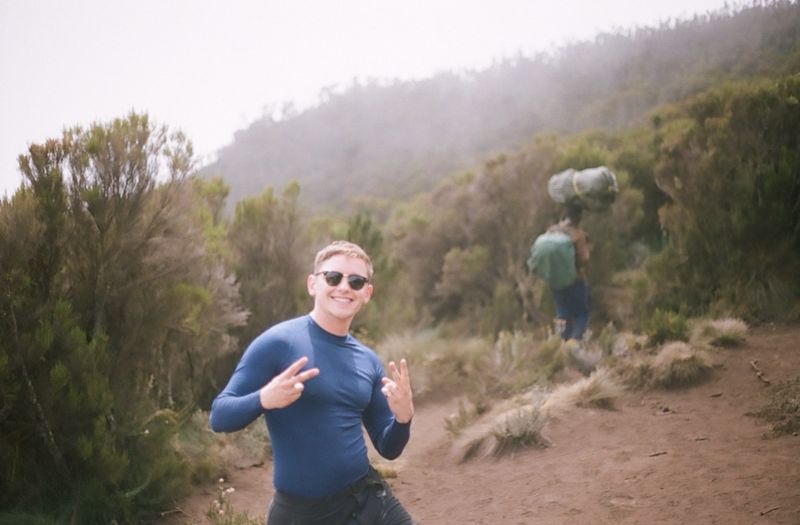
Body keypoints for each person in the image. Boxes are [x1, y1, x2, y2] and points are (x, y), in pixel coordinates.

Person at [210, 240, 415, 525]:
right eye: (333, 277)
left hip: (369, 499)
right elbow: (219, 416)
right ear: (312, 284)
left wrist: (403, 418)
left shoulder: (367, 360)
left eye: (356, 282)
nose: (344, 287)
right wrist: (264, 399)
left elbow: (389, 448)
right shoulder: (278, 343)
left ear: (366, 293)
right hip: (302, 515)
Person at [548, 205, 591, 341]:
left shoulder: (552, 231)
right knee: (581, 313)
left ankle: (561, 343)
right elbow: (583, 259)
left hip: (555, 280)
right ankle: (575, 343)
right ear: (578, 217)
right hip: (575, 279)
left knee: (562, 313)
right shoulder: (578, 234)